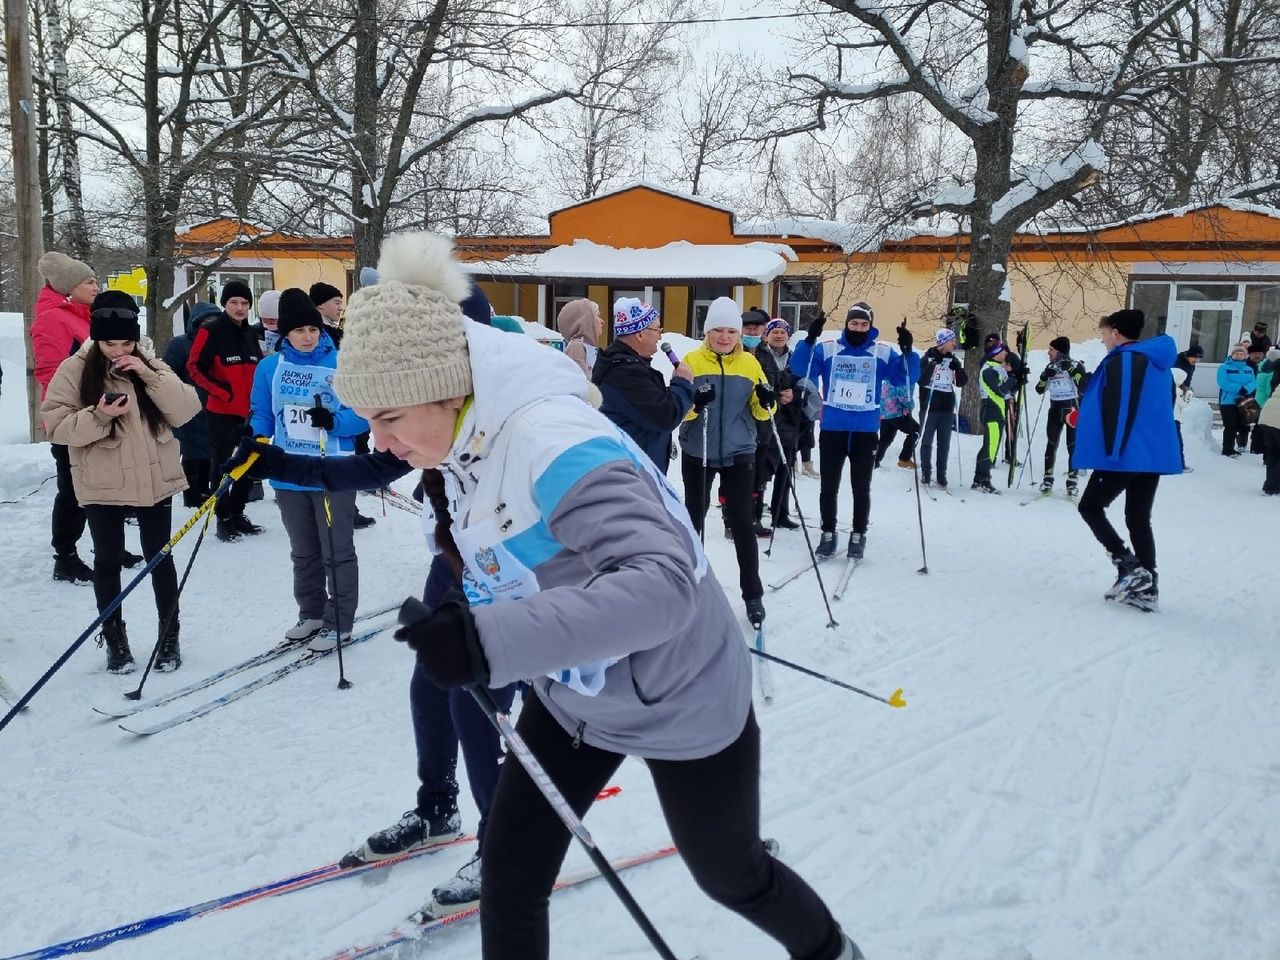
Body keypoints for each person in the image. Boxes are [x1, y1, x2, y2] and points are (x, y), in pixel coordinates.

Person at [231, 229, 859, 960]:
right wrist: (466, 616)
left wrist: (488, 642)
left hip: (679, 695)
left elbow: (660, 589)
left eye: (390, 419)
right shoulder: (465, 439)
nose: (380, 441)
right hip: (574, 698)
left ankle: (831, 952)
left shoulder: (551, 441)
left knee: (732, 875)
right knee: (510, 871)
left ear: (445, 388)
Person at [225, 261, 518, 918]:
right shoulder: (426, 405)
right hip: (457, 559)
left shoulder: (509, 413)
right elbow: (371, 463)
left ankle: (505, 844)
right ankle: (438, 809)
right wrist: (274, 460)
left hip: (516, 571)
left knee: (478, 704)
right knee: (430, 686)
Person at [40, 291, 201, 671]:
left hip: (154, 477)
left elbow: (186, 409)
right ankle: (116, 641)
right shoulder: (74, 370)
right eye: (109, 342)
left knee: (160, 558)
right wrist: (98, 415)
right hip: (103, 481)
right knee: (108, 560)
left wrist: (147, 374)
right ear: (96, 337)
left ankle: (169, 637)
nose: (117, 350)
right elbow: (56, 427)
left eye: (126, 342)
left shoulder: (150, 364)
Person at [249, 289, 367, 652]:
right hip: (290, 472)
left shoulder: (343, 363)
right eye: (299, 330)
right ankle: (311, 612)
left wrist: (334, 421)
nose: (308, 336)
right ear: (285, 333)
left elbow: (363, 416)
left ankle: (339, 619)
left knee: (337, 549)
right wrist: (257, 441)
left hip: (333, 470)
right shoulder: (269, 367)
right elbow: (262, 413)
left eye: (312, 329)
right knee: (303, 550)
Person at [791, 302, 919, 558]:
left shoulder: (882, 352)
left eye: (864, 324)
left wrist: (908, 351)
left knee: (861, 486)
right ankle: (828, 532)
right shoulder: (828, 349)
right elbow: (800, 369)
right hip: (833, 428)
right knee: (829, 486)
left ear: (870, 326)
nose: (858, 328)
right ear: (847, 324)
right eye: (854, 323)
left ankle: (858, 533)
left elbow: (905, 377)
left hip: (865, 429)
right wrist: (809, 339)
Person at [1074, 308, 1181, 611]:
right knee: (1137, 518)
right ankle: (1148, 588)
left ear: (1117, 333)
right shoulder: (1157, 363)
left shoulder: (1125, 359)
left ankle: (1130, 568)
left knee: (1090, 506)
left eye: (1105, 333)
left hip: (1125, 454)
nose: (1104, 339)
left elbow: (1119, 409)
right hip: (1151, 453)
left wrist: (1111, 451)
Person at [679, 297, 772, 626]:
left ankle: (753, 595)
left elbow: (762, 412)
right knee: (694, 522)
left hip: (738, 451)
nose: (725, 336)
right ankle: (690, 589)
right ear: (707, 332)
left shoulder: (749, 364)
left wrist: (767, 401)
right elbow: (680, 411)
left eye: (731, 330)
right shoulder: (690, 361)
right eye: (718, 329)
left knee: (743, 523)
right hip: (697, 451)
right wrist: (694, 404)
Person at [32, 251, 120, 583]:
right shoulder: (53, 318)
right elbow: (50, 372)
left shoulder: (85, 317)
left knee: (104, 485)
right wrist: (85, 407)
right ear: (69, 287)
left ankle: (108, 548)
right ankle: (65, 556)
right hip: (74, 419)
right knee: (74, 489)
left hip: (101, 412)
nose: (97, 286)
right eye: (89, 281)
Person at [187, 280, 263, 540]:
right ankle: (223, 516)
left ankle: (238, 512)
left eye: (244, 303)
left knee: (248, 463)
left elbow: (258, 370)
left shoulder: (251, 333)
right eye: (234, 302)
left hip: (250, 412)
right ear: (225, 304)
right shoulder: (211, 330)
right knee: (222, 464)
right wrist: (223, 392)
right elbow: (194, 367)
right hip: (222, 410)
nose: (240, 308)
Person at [591, 296, 694, 470]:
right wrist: (682, 383)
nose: (660, 337)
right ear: (639, 334)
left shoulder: (627, 366)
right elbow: (665, 416)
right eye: (657, 330)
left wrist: (677, 397)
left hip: (634, 469)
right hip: (632, 473)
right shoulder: (626, 372)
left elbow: (645, 406)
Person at [163, 301, 220, 507]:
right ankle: (192, 495)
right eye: (206, 322)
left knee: (210, 452)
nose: (210, 326)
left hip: (215, 406)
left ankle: (205, 492)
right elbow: (167, 374)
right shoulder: (180, 345)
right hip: (188, 408)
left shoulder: (221, 344)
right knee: (192, 452)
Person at [755, 318, 802, 529]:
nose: (779, 335)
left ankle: (780, 512)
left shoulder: (796, 358)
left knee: (786, 465)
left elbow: (807, 384)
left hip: (790, 419)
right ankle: (755, 512)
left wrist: (795, 395)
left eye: (783, 332)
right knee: (763, 466)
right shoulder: (759, 355)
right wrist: (775, 395)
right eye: (775, 331)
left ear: (788, 335)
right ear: (767, 335)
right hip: (766, 417)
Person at [1034, 336, 1088, 495]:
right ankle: (1047, 479)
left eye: (1052, 350)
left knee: (1072, 446)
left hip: (1071, 409)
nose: (1048, 352)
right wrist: (1045, 375)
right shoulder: (1050, 366)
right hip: (1055, 409)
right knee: (1051, 445)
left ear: (1061, 351)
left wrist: (1071, 370)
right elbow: (1039, 389)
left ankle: (1072, 481)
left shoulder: (1075, 365)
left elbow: (1083, 385)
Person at [916, 328, 967, 489]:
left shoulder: (953, 359)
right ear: (943, 342)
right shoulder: (927, 357)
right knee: (926, 441)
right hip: (930, 406)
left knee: (944, 443)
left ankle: (941, 475)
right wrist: (934, 363)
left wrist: (958, 369)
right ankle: (926, 472)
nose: (955, 343)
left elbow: (961, 382)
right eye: (952, 340)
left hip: (946, 407)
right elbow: (921, 381)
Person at [972, 339, 1014, 493]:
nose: (1007, 353)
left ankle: (978, 479)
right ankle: (984, 479)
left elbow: (1009, 391)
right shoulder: (988, 370)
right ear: (996, 353)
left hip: (998, 410)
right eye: (1004, 351)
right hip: (990, 411)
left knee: (989, 446)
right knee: (991, 448)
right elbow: (1000, 391)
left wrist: (1016, 376)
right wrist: (1013, 379)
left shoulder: (998, 368)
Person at [1216, 342, 1256, 458]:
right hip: (1228, 401)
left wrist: (1246, 389)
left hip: (1244, 401)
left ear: (1245, 356)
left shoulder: (1249, 369)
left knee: (1242, 424)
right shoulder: (1224, 367)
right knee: (1230, 425)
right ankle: (1227, 448)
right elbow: (1222, 382)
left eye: (1241, 353)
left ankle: (1240, 445)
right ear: (1232, 355)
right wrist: (1239, 388)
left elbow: (1254, 382)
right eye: (1236, 353)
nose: (1239, 355)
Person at [556, 298, 603, 378]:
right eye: (597, 316)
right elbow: (578, 383)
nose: (602, 321)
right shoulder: (576, 347)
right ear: (586, 321)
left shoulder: (589, 348)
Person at [1257, 378, 1280, 496]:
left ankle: (1270, 485)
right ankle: (1274, 487)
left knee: (1273, 453)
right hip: (1277, 420)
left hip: (1266, 419)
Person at [309, 282, 346, 346]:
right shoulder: (314, 333)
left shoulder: (335, 331)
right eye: (337, 303)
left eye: (340, 304)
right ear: (320, 304)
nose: (341, 309)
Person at [249, 289, 282, 354]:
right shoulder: (255, 332)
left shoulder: (290, 334)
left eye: (272, 320)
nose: (268, 324)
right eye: (265, 320)